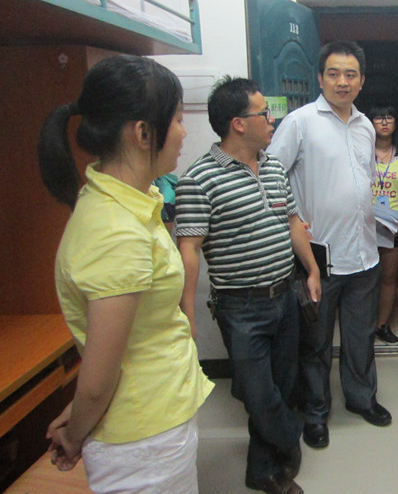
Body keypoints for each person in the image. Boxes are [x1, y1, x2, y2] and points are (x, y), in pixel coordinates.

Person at [37, 55, 213, 494]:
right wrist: (75, 433)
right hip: (143, 438)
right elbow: (98, 382)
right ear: (142, 133)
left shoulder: (130, 200)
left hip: (156, 414)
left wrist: (77, 413)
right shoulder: (116, 231)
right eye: (177, 119)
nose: (184, 132)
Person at [174, 77, 320, 494]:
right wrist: (186, 313)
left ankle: (262, 471)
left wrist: (311, 270)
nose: (272, 120)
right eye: (264, 113)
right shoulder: (199, 178)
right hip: (241, 307)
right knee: (258, 393)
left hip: (285, 295)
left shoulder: (272, 165)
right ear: (238, 123)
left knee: (281, 385)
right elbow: (189, 250)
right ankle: (289, 437)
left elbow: (292, 222)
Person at [268, 41, 391, 450]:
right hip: (319, 257)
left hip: (364, 254)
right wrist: (291, 217)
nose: (342, 82)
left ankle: (362, 398)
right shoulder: (300, 122)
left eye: (350, 74)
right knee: (316, 342)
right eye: (334, 73)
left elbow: (363, 178)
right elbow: (271, 175)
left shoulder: (366, 125)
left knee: (360, 336)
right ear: (320, 78)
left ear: (362, 81)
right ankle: (316, 413)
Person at [367, 104, 398, 345]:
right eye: (378, 118)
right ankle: (362, 324)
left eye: (389, 117)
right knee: (363, 278)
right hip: (365, 222)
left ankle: (381, 325)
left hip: (395, 223)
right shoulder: (362, 150)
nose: (384, 122)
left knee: (388, 277)